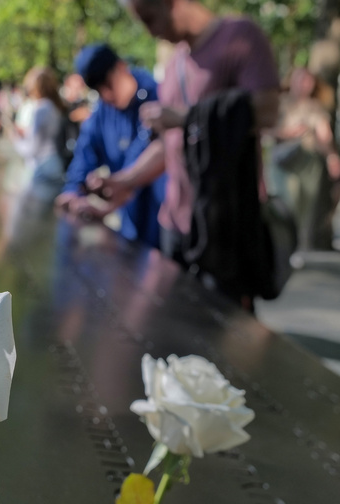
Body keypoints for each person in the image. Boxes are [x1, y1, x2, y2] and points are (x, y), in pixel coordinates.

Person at [90, 0, 279, 306]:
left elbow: (268, 111)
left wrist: (184, 117)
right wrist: (124, 181)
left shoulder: (240, 36)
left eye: (150, 18)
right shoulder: (175, 62)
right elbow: (170, 145)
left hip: (224, 226)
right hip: (174, 225)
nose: (151, 32)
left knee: (227, 332)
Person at [55, 44, 164, 248]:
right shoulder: (102, 113)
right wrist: (72, 190)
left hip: (162, 220)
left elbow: (146, 157)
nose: (106, 94)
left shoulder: (156, 97)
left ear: (121, 67)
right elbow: (84, 153)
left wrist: (116, 189)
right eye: (98, 89)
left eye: (108, 84)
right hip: (129, 222)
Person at [271, 68, 340, 251]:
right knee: (286, 203)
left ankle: (296, 247)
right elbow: (265, 129)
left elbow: (324, 136)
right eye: (300, 79)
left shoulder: (315, 107)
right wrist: (287, 134)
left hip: (308, 162)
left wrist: (333, 158)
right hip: (284, 162)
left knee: (305, 208)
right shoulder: (280, 102)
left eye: (308, 80)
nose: (304, 84)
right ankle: (283, 245)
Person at [9, 67, 67, 200]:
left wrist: (16, 139)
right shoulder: (55, 107)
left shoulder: (41, 109)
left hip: (42, 167)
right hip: (54, 164)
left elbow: (32, 149)